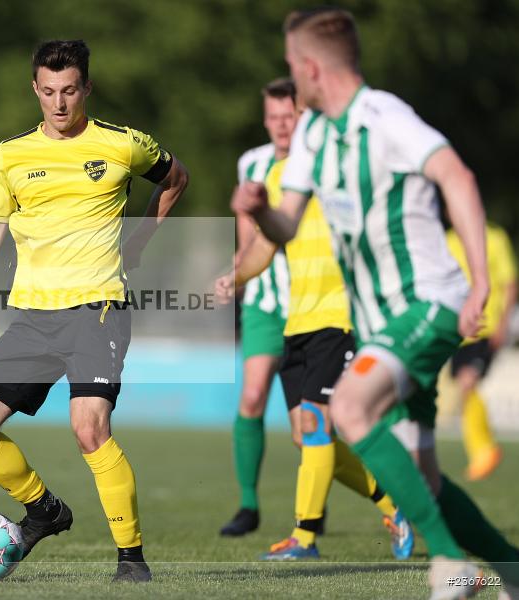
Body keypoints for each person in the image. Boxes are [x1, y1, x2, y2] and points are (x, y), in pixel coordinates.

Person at [232, 7, 519, 598]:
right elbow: (286, 223)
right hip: (382, 319)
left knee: (350, 408)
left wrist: (483, 282)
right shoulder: (314, 133)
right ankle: (509, 568)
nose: (290, 72)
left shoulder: (384, 117)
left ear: (310, 66)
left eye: (291, 63)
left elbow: (457, 177)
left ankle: (446, 565)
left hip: (429, 302)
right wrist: (259, 207)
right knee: (424, 478)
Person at [0, 40, 188, 583]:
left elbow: (176, 178)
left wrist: (143, 239)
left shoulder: (123, 144)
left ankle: (131, 559)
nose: (59, 103)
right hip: (34, 319)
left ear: (86, 88)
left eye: (70, 91)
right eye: (49, 92)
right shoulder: (9, 157)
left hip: (97, 310)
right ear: (35, 89)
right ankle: (44, 509)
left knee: (89, 428)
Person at [217, 81, 412, 561]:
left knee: (316, 421)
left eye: (301, 115)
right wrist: (236, 276)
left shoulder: (344, 170)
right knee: (307, 433)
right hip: (297, 320)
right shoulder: (284, 175)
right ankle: (393, 502)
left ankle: (303, 537)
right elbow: (267, 243)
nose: (294, 125)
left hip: (339, 316)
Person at [219, 78, 293, 538]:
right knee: (251, 397)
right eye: (274, 117)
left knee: (318, 422)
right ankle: (249, 504)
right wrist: (238, 272)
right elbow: (247, 231)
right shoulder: (253, 162)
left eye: (289, 117)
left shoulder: (318, 162)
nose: (281, 126)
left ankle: (316, 502)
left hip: (315, 301)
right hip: (266, 301)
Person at [445, 221, 516, 480]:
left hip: (486, 325)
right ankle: (482, 448)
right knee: (465, 389)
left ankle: (483, 450)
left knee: (467, 381)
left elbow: (510, 283)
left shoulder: (495, 238)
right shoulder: (448, 239)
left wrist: (504, 324)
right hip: (457, 330)